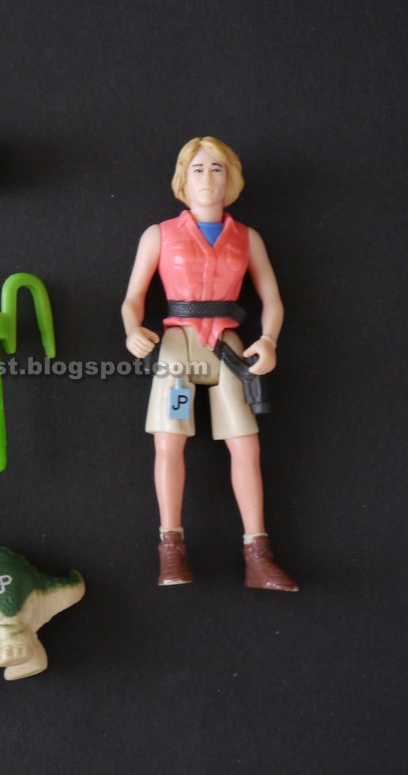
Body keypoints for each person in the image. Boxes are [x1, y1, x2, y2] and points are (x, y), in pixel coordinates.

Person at [121, 137, 297, 591]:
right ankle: (171, 548)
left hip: (228, 350)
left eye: (217, 168)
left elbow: (273, 299)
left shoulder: (247, 238)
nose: (207, 178)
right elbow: (133, 297)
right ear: (183, 178)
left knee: (246, 446)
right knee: (169, 441)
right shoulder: (160, 234)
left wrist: (269, 340)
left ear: (231, 178)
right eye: (197, 169)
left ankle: (258, 554)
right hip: (178, 349)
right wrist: (132, 329)